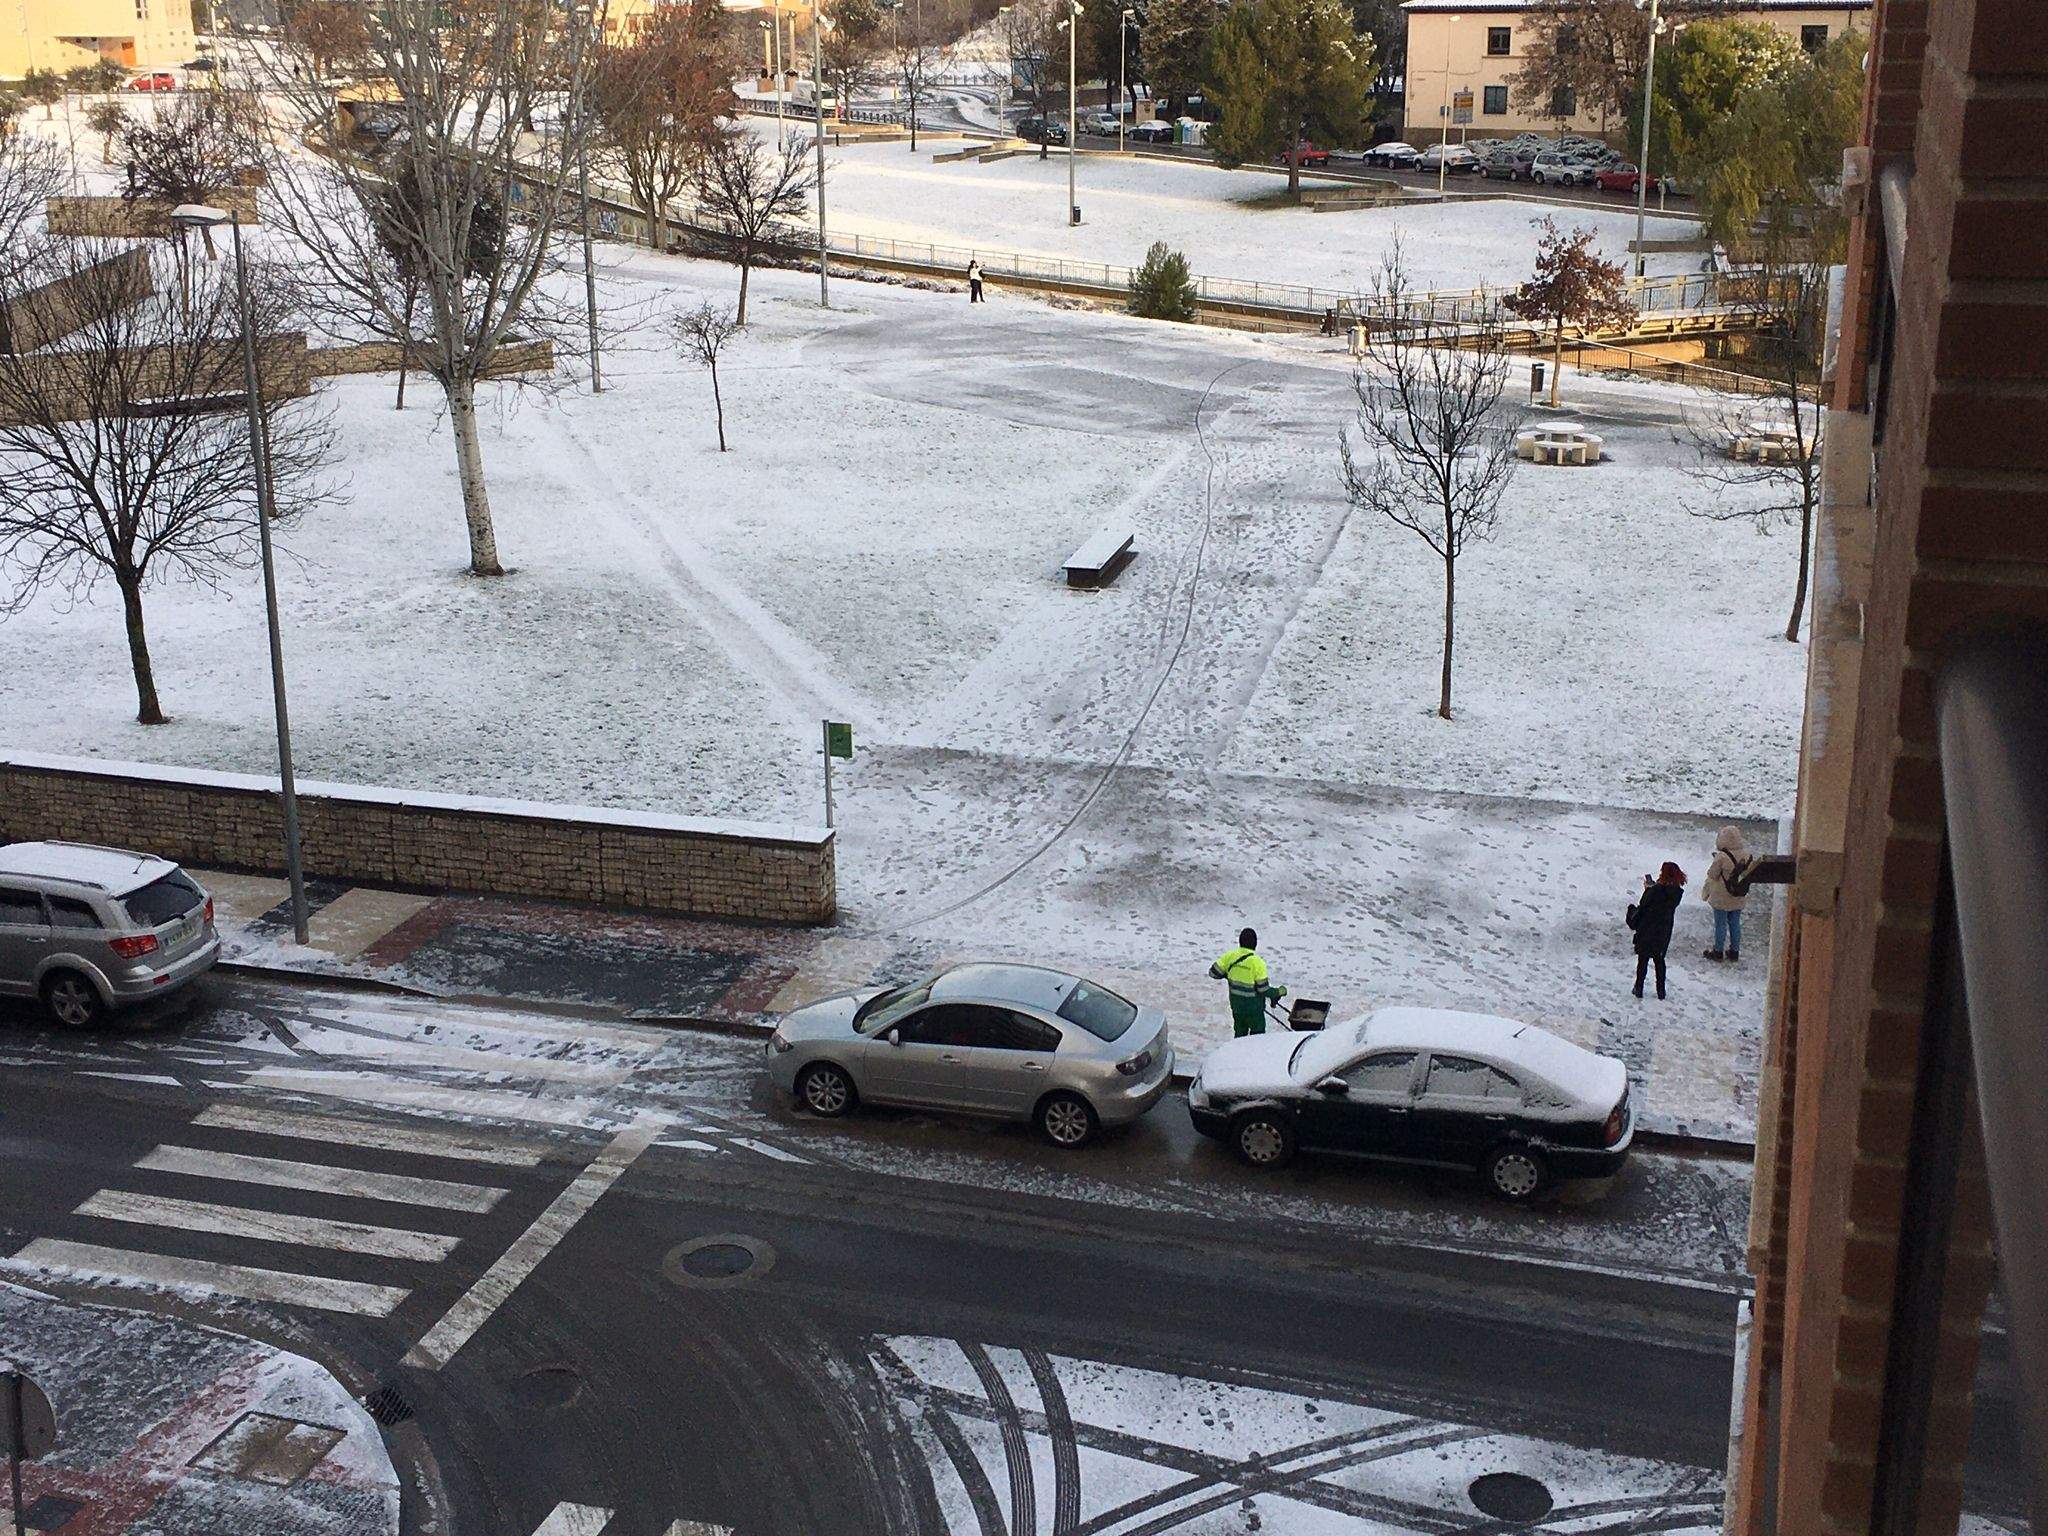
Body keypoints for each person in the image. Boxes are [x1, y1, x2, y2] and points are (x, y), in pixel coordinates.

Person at [1626, 862, 1686, 1000]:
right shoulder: (1676, 893)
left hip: (1648, 927)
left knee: (1643, 959)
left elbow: (1644, 905)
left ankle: (1639, 987)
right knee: (1659, 960)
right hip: (1664, 929)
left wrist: (1648, 889)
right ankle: (1661, 991)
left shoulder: (1655, 890)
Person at [1210, 928, 1285, 1038]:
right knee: (1257, 1039)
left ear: (1240, 941)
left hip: (1237, 1007)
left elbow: (1213, 973)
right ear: (1255, 943)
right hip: (1254, 1011)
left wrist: (1229, 975)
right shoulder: (1258, 963)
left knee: (1239, 1037)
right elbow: (1263, 989)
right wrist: (1279, 991)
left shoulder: (1229, 957)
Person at [1701, 825, 1753, 962]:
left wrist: (1716, 860)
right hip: (1738, 895)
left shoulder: (1722, 857)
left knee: (1721, 924)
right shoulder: (1747, 855)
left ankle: (1718, 951)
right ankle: (1734, 951)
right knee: (1735, 923)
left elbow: (1712, 874)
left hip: (1721, 897)